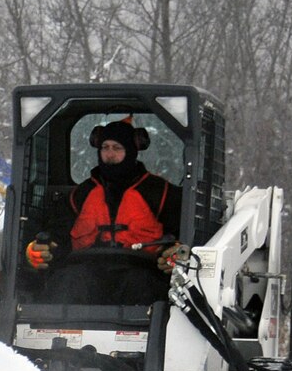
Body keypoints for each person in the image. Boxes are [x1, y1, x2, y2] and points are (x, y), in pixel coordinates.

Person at [25, 116, 187, 305]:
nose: (110, 154)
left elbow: (179, 236)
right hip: (85, 271)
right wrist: (39, 250)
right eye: (105, 147)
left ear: (132, 150)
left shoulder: (161, 193)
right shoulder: (80, 195)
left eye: (117, 148)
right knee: (66, 282)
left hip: (142, 273)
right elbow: (58, 234)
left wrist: (173, 253)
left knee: (143, 286)